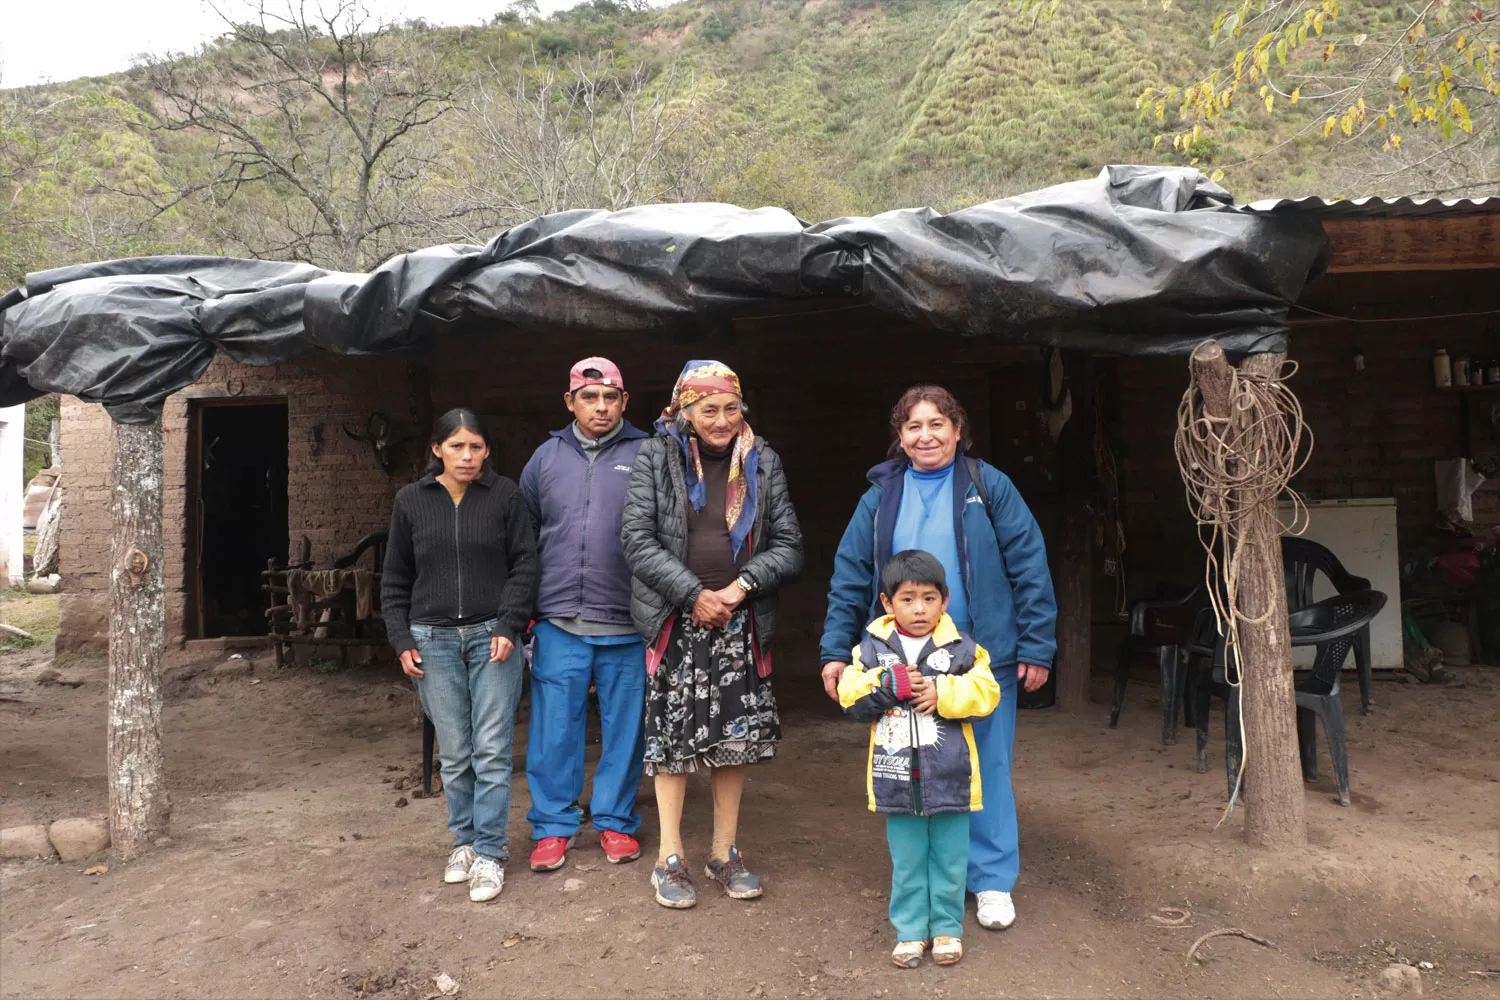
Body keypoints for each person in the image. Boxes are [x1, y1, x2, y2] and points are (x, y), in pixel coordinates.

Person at [819, 386, 1056, 932]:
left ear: (958, 428)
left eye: (937, 424)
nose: (926, 436)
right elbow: (849, 574)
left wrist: (1038, 643)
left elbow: (1029, 563)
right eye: (913, 426)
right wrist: (836, 651)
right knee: (914, 765)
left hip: (980, 654)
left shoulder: (986, 484)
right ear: (899, 436)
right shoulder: (880, 493)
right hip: (898, 657)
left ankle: (992, 880)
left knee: (985, 765)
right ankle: (927, 881)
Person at [620, 359, 804, 910]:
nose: (721, 419)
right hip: (677, 620)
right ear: (684, 409)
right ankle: (669, 857)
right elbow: (635, 539)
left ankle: (724, 851)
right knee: (671, 741)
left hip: (738, 622)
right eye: (708, 409)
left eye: (730, 408)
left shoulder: (763, 460)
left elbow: (789, 543)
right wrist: (693, 595)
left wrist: (740, 587)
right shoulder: (656, 455)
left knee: (734, 737)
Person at [382, 408, 538, 903]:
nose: (467, 456)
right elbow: (394, 580)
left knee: (491, 750)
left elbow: (525, 566)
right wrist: (402, 640)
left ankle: (490, 852)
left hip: (494, 637)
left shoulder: (505, 496)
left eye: (476, 447)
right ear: (437, 450)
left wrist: (511, 624)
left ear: (487, 450)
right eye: (457, 447)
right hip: (431, 640)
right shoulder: (411, 501)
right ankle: (464, 842)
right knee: (454, 753)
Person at [519, 358, 650, 872]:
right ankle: (554, 826)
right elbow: (524, 537)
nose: (601, 407)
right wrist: (528, 612)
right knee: (554, 730)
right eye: (589, 397)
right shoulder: (545, 459)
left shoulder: (649, 454)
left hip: (629, 622)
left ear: (624, 401)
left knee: (625, 729)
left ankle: (615, 821)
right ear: (569, 401)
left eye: (610, 397)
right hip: (558, 621)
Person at [839, 550, 999, 969]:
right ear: (887, 604)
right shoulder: (871, 650)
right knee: (907, 861)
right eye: (907, 599)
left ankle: (947, 928)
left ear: (945, 601)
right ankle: (910, 932)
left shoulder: (963, 650)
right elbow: (849, 696)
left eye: (929, 598)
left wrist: (944, 694)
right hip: (895, 780)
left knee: (950, 858)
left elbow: (987, 694)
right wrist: (884, 683)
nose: (920, 608)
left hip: (952, 778)